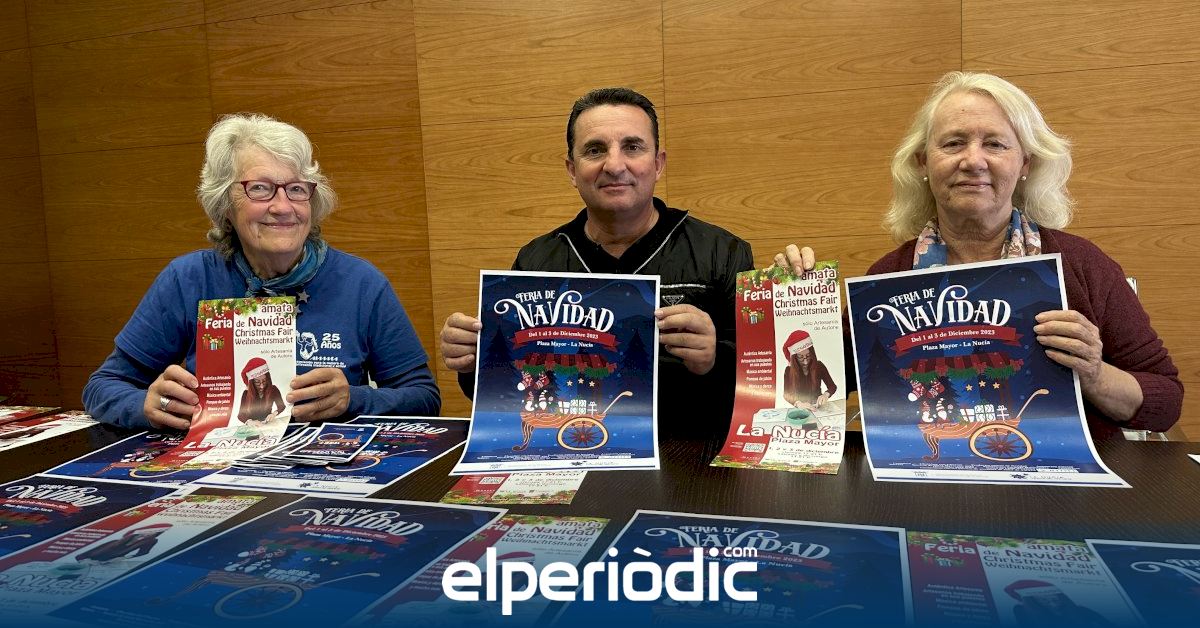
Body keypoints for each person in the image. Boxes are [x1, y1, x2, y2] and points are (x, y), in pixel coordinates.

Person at [778, 71, 1182, 439]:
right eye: (953, 143)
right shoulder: (888, 275)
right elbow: (824, 383)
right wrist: (794, 305)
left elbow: (1165, 402)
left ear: (1024, 163)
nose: (973, 161)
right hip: (928, 475)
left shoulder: (1080, 264)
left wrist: (1094, 375)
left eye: (995, 144)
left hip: (1060, 484)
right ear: (923, 163)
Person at [84, 114, 439, 430]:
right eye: (260, 189)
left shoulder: (361, 283)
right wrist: (146, 406)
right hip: (217, 465)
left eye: (296, 189)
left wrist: (355, 399)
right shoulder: (188, 279)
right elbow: (102, 387)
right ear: (225, 204)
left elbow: (423, 396)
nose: (283, 207)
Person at [440, 87, 753, 433]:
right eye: (595, 150)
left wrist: (715, 358)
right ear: (572, 170)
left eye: (632, 147)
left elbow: (765, 386)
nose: (615, 165)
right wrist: (472, 362)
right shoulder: (536, 261)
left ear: (658, 164)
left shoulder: (723, 252)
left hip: (694, 455)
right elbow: (508, 392)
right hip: (573, 447)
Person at [780, 330, 836, 410]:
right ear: (794, 358)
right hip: (801, 409)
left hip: (818, 407)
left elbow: (832, 386)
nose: (805, 361)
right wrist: (798, 403)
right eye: (800, 357)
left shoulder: (819, 366)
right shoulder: (788, 370)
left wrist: (826, 395)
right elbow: (786, 394)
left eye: (808, 356)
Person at [237, 357, 286, 422]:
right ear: (252, 383)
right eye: (257, 382)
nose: (262, 386)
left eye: (264, 381)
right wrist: (249, 422)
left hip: (267, 423)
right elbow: (240, 415)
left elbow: (281, 406)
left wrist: (273, 414)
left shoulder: (273, 389)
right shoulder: (246, 393)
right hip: (252, 425)